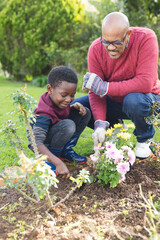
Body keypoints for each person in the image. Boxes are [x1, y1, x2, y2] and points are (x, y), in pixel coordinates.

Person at [72, 12, 160, 159]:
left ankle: (144, 139)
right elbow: (95, 90)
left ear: (129, 34)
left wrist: (106, 88)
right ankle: (113, 127)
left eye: (117, 42)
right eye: (106, 42)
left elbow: (146, 83)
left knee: (133, 100)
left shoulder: (146, 38)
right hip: (116, 101)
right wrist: (99, 122)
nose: (111, 48)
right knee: (78, 107)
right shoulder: (95, 49)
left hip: (148, 100)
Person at [28, 66, 91, 178]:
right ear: (50, 89)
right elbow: (35, 142)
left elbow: (58, 115)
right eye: (64, 95)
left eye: (72, 95)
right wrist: (57, 163)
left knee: (85, 113)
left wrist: (73, 107)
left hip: (55, 132)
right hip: (43, 143)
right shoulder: (44, 113)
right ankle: (52, 158)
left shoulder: (57, 101)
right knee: (68, 126)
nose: (68, 99)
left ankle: (66, 151)